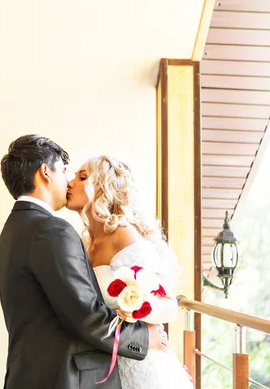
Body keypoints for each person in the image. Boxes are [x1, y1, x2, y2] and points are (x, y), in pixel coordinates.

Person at [0, 135, 167, 389]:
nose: (69, 181)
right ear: (46, 172)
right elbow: (86, 316)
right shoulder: (50, 230)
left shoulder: (12, 231)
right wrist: (144, 337)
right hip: (62, 378)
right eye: (65, 171)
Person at [66, 155, 194, 389]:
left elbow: (168, 306)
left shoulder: (123, 236)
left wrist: (138, 311)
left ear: (101, 189)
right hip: (107, 362)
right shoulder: (87, 244)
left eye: (81, 177)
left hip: (141, 364)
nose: (69, 182)